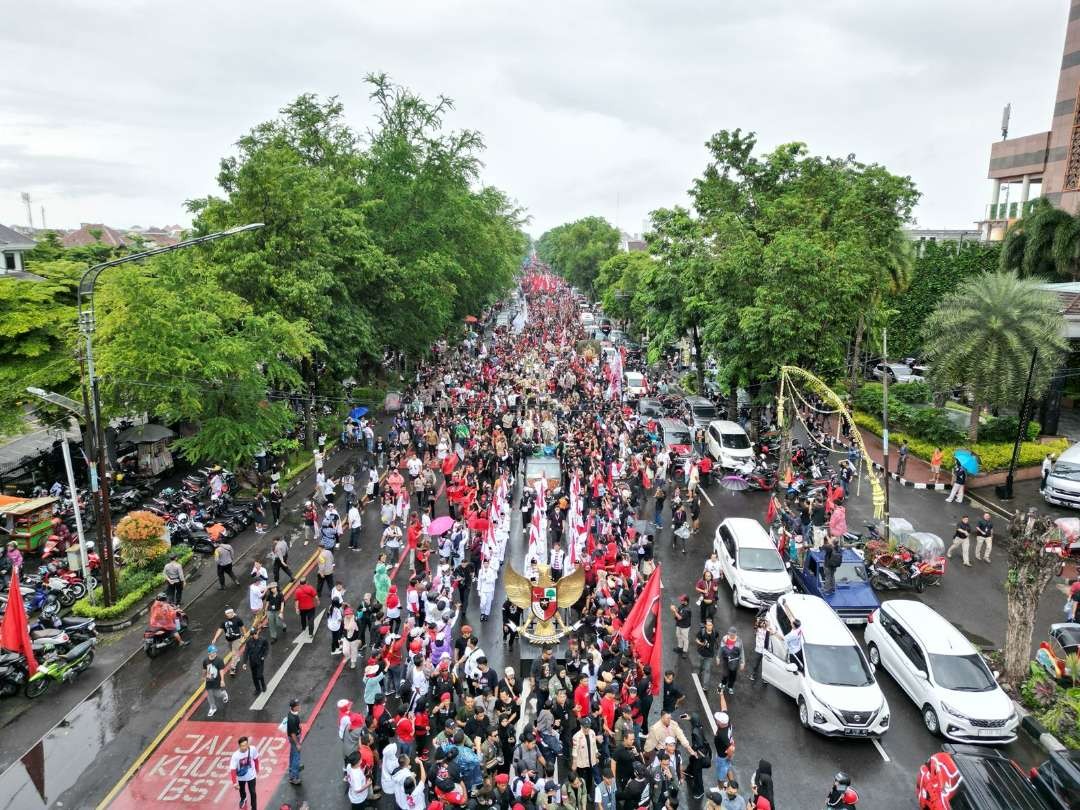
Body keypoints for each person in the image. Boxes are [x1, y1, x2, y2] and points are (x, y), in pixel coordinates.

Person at [211, 607, 246, 676]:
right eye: (227, 613)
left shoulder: (237, 619)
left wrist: (245, 634)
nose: (229, 614)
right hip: (229, 640)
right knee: (233, 652)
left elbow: (242, 626)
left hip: (237, 639)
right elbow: (220, 630)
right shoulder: (224, 622)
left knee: (234, 653)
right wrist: (215, 638)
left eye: (230, 613)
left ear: (232, 612)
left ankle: (233, 669)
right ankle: (237, 658)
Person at [229, 735, 260, 809]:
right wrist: (234, 783)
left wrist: (257, 769)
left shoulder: (252, 749)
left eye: (246, 745)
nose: (244, 747)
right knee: (242, 792)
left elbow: (256, 759)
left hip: (251, 776)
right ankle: (244, 800)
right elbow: (233, 769)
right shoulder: (235, 756)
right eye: (242, 746)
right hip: (241, 777)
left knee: (253, 793)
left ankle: (254, 808)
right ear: (239, 746)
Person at [202, 645, 228, 718]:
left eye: (215, 652)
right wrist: (203, 676)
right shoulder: (205, 660)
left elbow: (221, 671)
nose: (214, 653)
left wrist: (222, 680)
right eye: (213, 652)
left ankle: (224, 694)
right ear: (209, 653)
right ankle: (213, 708)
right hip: (209, 681)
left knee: (218, 694)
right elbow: (204, 669)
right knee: (209, 694)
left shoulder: (219, 660)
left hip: (217, 681)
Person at [717, 627, 744, 696]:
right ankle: (723, 683)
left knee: (733, 674)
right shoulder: (724, 638)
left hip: (734, 660)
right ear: (728, 633)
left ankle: (730, 687)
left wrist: (742, 662)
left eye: (733, 635)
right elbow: (721, 648)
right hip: (726, 659)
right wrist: (718, 657)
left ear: (735, 634)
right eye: (730, 634)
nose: (731, 636)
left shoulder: (739, 641)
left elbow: (741, 652)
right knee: (725, 673)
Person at [712, 710, 735, 785]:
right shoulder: (727, 722)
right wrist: (721, 697)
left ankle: (721, 788)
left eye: (717, 720)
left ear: (720, 723)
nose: (716, 721)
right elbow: (724, 707)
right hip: (725, 753)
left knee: (720, 776)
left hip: (722, 757)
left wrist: (729, 757)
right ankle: (732, 785)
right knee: (728, 769)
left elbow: (731, 748)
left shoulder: (722, 735)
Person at [246, 624, 269, 695]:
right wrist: (244, 662)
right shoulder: (249, 642)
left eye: (255, 633)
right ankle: (257, 689)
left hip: (260, 661)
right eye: (252, 634)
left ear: (257, 632)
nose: (254, 635)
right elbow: (246, 652)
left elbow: (267, 649)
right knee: (254, 676)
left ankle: (263, 685)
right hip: (252, 661)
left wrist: (264, 656)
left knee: (259, 675)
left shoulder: (263, 640)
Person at [695, 618, 718, 685]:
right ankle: (700, 672)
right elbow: (696, 639)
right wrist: (701, 643)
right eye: (708, 625)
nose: (709, 626)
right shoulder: (702, 632)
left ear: (712, 625)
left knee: (707, 670)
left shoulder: (715, 632)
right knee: (701, 666)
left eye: (710, 625)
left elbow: (716, 637)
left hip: (710, 655)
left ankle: (705, 686)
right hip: (701, 653)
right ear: (705, 625)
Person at [286, 698, 302, 785]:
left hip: (294, 737)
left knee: (292, 754)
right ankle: (294, 777)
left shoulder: (293, 713)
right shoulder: (292, 719)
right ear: (294, 707)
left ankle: (291, 770)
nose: (299, 706)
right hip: (294, 738)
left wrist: (299, 726)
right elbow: (293, 734)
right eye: (297, 705)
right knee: (296, 757)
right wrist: (298, 744)